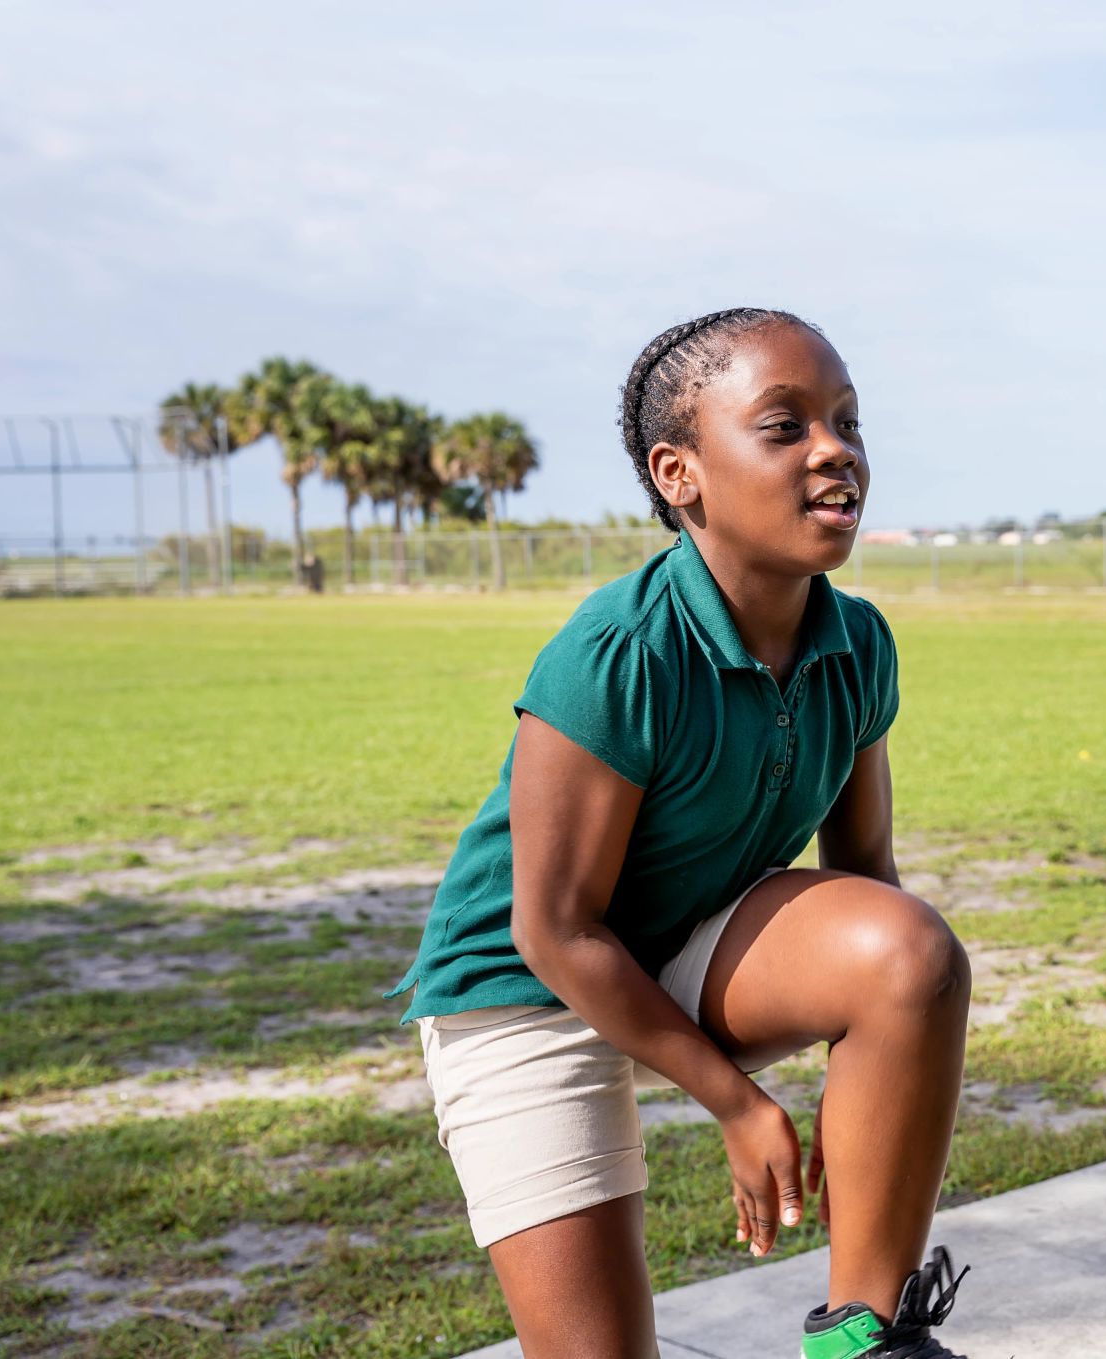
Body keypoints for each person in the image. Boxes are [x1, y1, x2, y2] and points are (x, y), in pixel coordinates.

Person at [389, 308, 976, 1359]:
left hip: (688, 944)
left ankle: (863, 1340)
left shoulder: (856, 642)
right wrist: (739, 1104)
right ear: (679, 474)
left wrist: (873, 1099)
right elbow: (554, 930)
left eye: (846, 421)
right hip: (524, 991)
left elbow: (871, 892)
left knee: (910, 949)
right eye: (784, 427)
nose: (834, 448)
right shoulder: (615, 652)